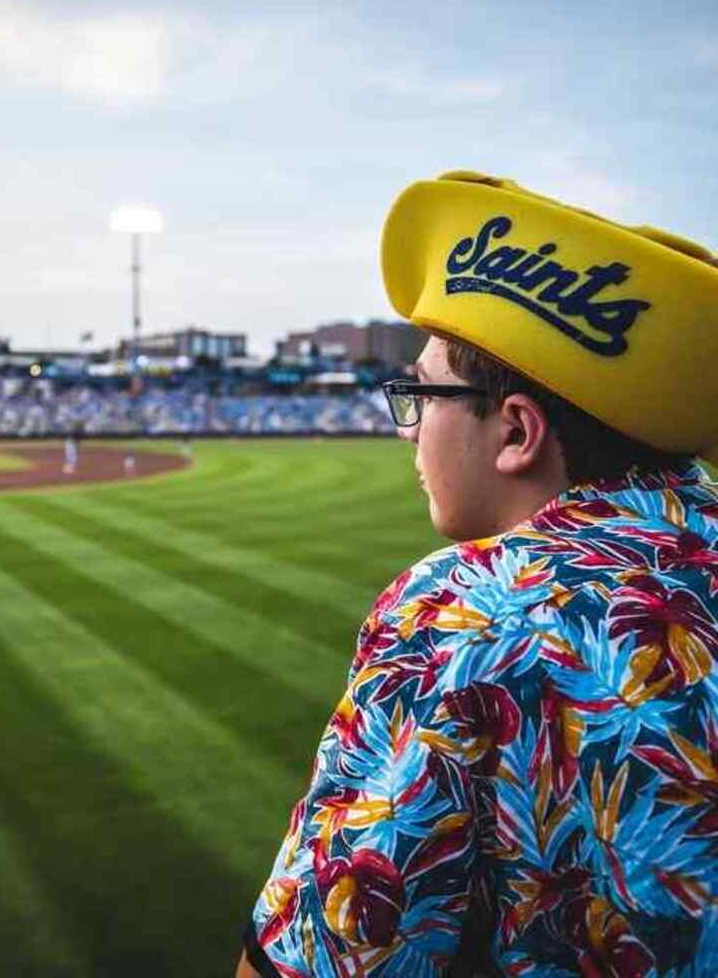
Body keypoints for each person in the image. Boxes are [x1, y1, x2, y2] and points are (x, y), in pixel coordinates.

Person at [238, 171, 718, 977]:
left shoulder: (462, 613)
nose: (409, 431)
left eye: (420, 394)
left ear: (517, 432)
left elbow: (325, 954)